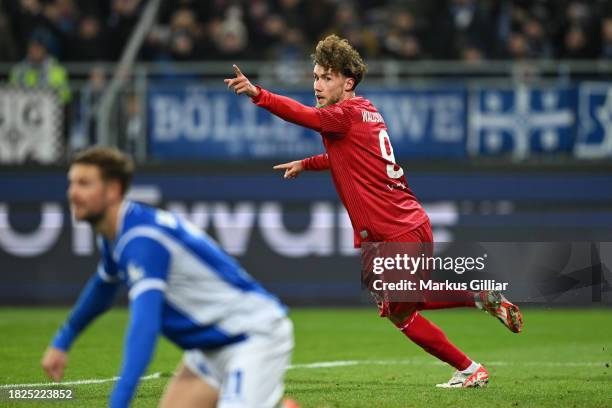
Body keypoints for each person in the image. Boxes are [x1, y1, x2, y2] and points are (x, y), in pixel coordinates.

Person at [225, 34, 523, 388]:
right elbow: (347, 158)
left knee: (401, 313)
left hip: (394, 230)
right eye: (316, 76)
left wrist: (260, 94)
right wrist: (307, 163)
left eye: (327, 78)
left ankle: (471, 366)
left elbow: (301, 115)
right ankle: (478, 303)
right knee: (402, 305)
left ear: (347, 82)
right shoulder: (365, 111)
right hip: (403, 225)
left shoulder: (341, 114)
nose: (318, 85)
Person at [41, 147, 296, 408]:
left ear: (114, 189)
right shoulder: (119, 232)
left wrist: (118, 403)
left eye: (84, 183)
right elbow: (103, 287)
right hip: (210, 348)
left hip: (253, 336)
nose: (73, 193)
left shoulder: (141, 241)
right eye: (72, 182)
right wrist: (63, 340)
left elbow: (145, 326)